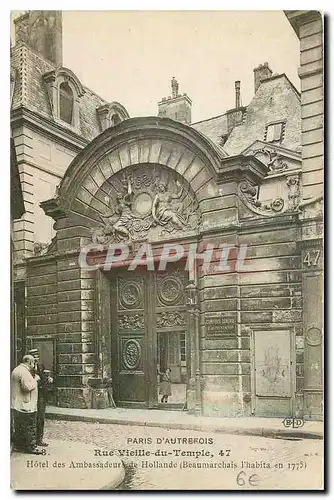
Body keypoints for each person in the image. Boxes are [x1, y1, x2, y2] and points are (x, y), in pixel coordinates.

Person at [11, 355, 42, 454]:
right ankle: (31, 447)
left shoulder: (16, 370)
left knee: (19, 427)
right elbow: (26, 387)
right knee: (29, 426)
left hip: (17, 404)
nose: (33, 365)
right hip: (26, 405)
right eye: (33, 363)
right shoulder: (24, 372)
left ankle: (19, 446)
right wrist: (35, 379)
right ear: (29, 362)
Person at [28, 349, 53, 447]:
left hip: (41, 395)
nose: (36, 358)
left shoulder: (41, 366)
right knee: (32, 418)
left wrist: (49, 379)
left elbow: (43, 378)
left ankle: (39, 439)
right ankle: (32, 440)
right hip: (32, 395)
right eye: (34, 356)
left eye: (37, 356)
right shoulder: (28, 368)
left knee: (41, 418)